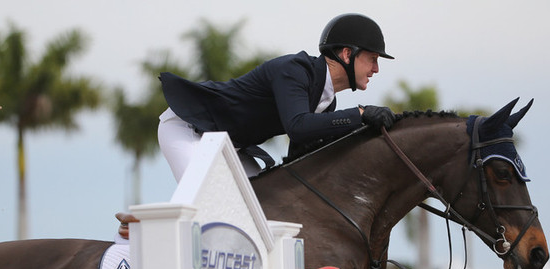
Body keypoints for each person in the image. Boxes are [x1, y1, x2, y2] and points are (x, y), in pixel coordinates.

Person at [157, 13, 397, 182]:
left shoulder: (326, 101)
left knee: (262, 211)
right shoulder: (294, 70)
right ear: (347, 54)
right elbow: (298, 126)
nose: (376, 69)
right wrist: (361, 115)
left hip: (228, 146)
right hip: (189, 128)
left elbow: (299, 159)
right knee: (212, 205)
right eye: (373, 59)